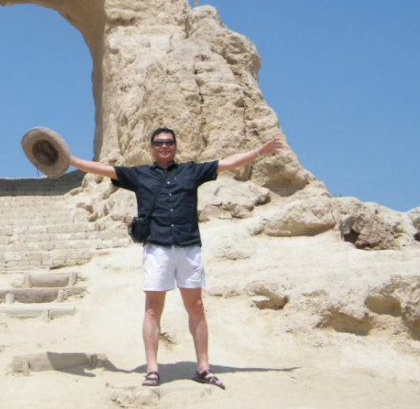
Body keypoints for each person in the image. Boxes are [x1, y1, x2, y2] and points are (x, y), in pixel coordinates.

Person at [69, 127, 284, 388]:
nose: (164, 146)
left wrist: (259, 152)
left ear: (175, 146)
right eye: (159, 142)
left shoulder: (191, 171)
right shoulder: (139, 174)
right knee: (152, 309)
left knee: (196, 307)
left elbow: (227, 163)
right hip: (157, 247)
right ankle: (152, 369)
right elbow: (103, 169)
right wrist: (69, 160)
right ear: (151, 147)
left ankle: (203, 367)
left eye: (169, 142)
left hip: (188, 246)